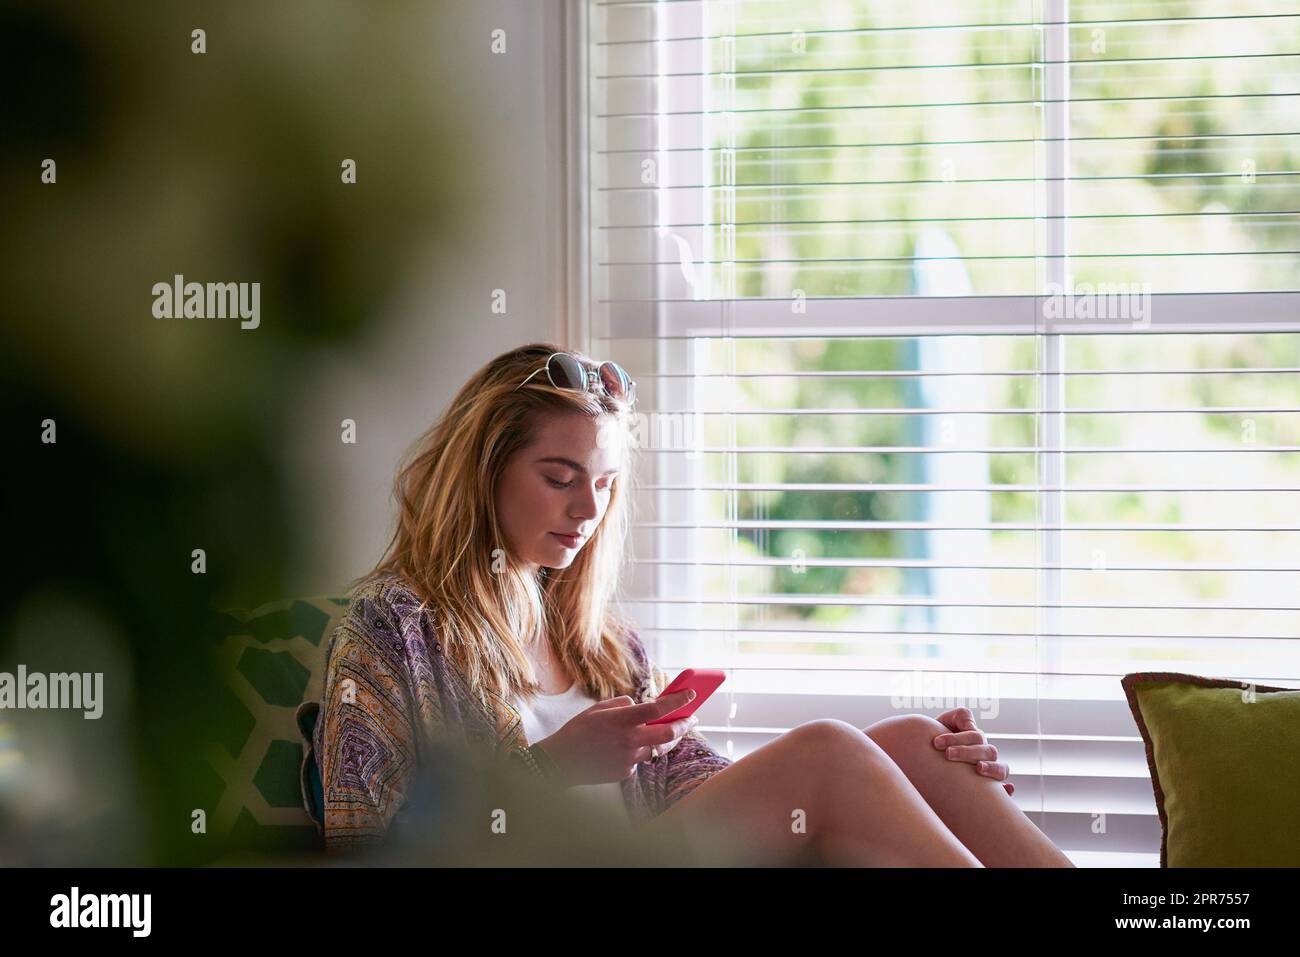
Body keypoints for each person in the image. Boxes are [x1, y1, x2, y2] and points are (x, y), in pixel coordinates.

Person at [305, 343, 1074, 866]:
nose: (586, 508)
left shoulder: (603, 645)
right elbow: (367, 845)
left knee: (914, 740)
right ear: (484, 470)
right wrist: (551, 769)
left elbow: (699, 789)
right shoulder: (391, 628)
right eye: (559, 475)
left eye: (604, 484)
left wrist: (893, 773)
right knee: (828, 753)